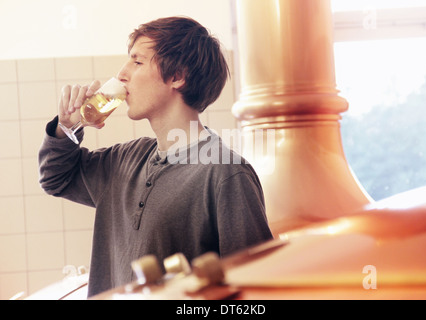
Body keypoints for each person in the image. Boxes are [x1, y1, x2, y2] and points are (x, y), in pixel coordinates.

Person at [38, 16, 273, 298]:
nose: (121, 74)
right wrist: (68, 127)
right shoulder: (125, 158)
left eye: (137, 62)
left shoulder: (225, 173)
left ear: (177, 77)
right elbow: (56, 179)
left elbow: (255, 287)